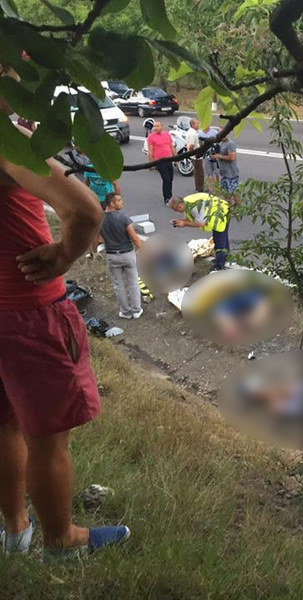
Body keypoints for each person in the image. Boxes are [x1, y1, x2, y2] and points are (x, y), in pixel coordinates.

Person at [0, 63, 130, 559]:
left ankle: (15, 528)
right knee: (47, 436)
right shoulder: (8, 142)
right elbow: (86, 211)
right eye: (17, 72)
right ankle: (61, 539)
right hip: (28, 312)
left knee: (4, 424)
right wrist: (63, 255)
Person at [96, 193, 143, 319]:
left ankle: (125, 312)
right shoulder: (123, 218)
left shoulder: (100, 219)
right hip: (127, 254)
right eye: (119, 200)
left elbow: (98, 239)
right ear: (111, 203)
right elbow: (135, 238)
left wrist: (94, 251)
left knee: (118, 285)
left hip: (112, 255)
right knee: (133, 282)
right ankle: (136, 310)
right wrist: (145, 250)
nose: (122, 202)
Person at [168, 193, 230, 271]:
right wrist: (180, 221)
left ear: (179, 206)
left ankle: (219, 265)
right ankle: (225, 257)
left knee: (219, 239)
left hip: (221, 212)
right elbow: (191, 218)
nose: (175, 211)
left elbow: (201, 223)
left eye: (175, 209)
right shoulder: (186, 203)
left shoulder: (194, 207)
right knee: (221, 237)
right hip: (219, 210)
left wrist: (184, 224)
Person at [147, 121, 176, 205]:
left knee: (170, 179)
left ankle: (170, 195)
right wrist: (151, 164)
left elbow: (172, 147)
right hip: (159, 161)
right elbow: (150, 151)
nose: (155, 128)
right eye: (154, 126)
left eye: (157, 126)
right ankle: (167, 198)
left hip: (169, 159)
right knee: (166, 179)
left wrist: (176, 159)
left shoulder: (167, 135)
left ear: (162, 127)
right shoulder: (151, 137)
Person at [186, 118, 204, 193]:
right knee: (199, 173)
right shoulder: (193, 134)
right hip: (196, 156)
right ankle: (200, 188)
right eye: (197, 123)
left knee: (197, 172)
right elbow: (191, 146)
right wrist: (195, 155)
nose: (198, 125)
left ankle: (198, 186)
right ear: (192, 125)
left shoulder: (193, 132)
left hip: (196, 155)